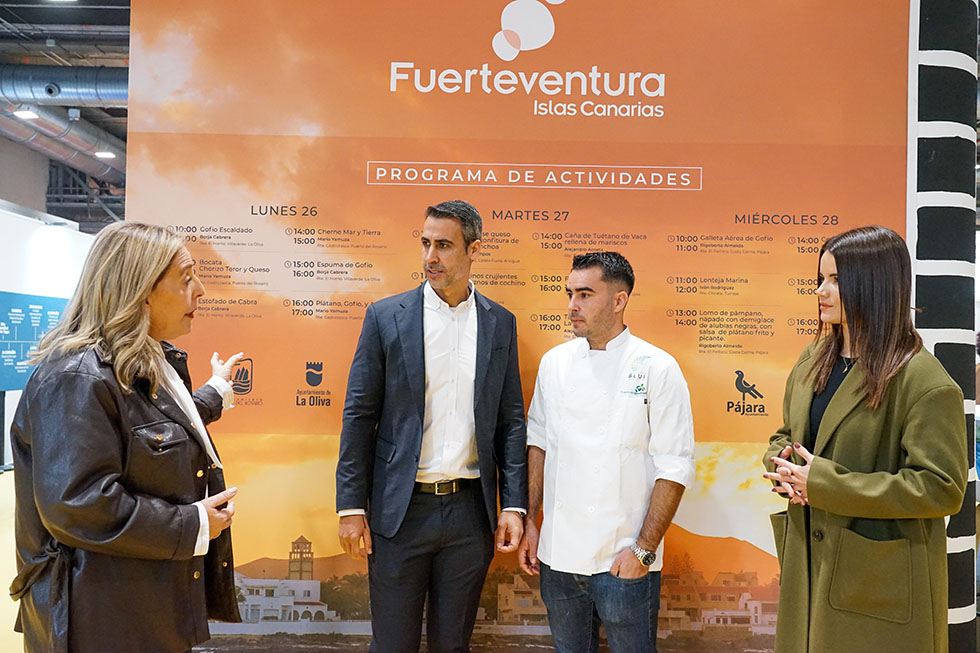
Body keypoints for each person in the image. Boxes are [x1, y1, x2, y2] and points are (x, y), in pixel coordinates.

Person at [9, 222, 244, 652]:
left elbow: (147, 430)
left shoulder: (143, 360)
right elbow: (79, 503)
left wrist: (215, 394)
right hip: (99, 619)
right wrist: (192, 523)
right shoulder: (76, 377)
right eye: (186, 278)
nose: (200, 291)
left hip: (138, 607)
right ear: (141, 291)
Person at [762, 225, 967, 653]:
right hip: (809, 567)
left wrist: (822, 484)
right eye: (820, 278)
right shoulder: (813, 359)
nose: (820, 291)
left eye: (836, 280)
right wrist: (782, 465)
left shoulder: (923, 381)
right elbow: (788, 434)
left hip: (877, 585)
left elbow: (941, 488)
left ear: (873, 285)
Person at [335, 200, 527, 652]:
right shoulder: (386, 317)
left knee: (452, 645)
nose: (430, 257)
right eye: (425, 244)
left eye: (443, 245)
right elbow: (359, 414)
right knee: (393, 645)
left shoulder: (500, 323)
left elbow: (511, 419)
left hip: (470, 514)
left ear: (473, 250)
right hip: (400, 511)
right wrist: (350, 506)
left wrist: (514, 505)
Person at [517, 251, 695, 653]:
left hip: (624, 558)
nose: (572, 305)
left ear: (619, 300)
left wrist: (643, 551)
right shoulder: (554, 364)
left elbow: (675, 466)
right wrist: (531, 522)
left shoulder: (657, 367)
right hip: (559, 559)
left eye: (585, 294)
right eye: (569, 294)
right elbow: (539, 443)